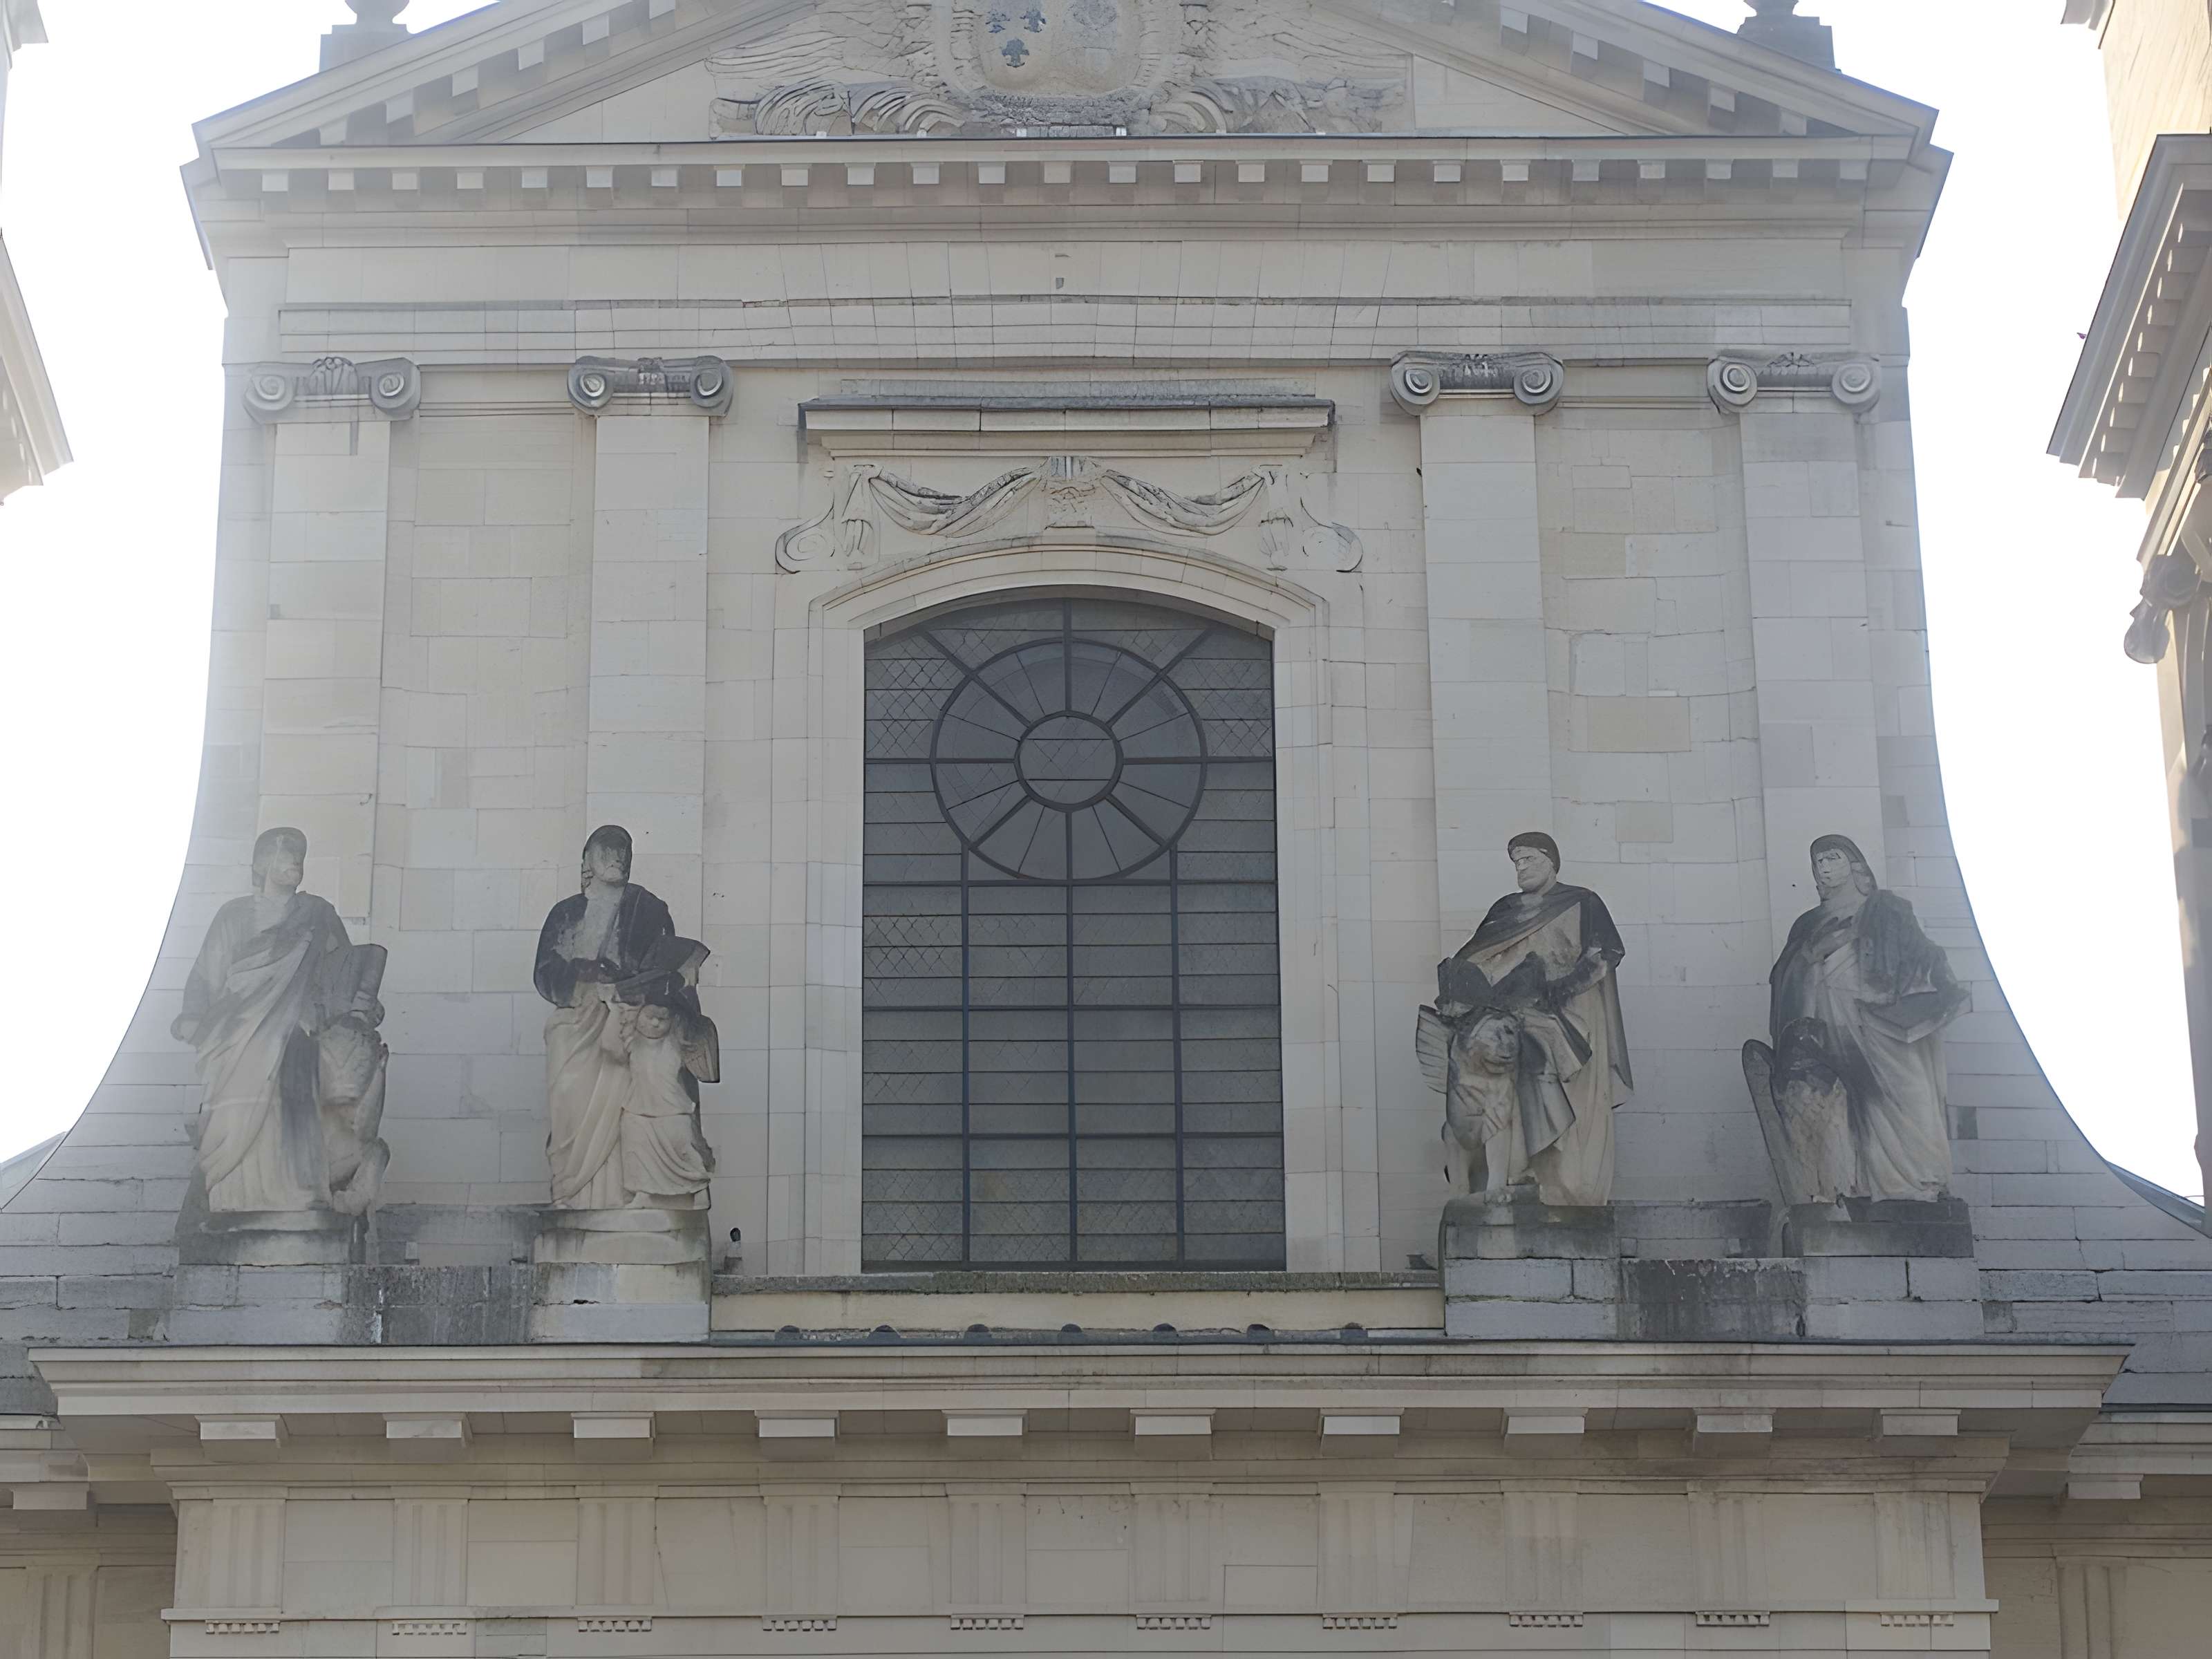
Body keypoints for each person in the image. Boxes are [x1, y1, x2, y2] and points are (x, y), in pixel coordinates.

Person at [1768, 834, 1965, 1200]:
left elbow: (1924, 958)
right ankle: (1865, 1186)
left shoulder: (1885, 909)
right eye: (1818, 862)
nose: (1824, 868)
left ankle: (1922, 1180)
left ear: (1855, 864)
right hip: (1835, 1023)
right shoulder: (1808, 923)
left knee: (1909, 1093)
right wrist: (1811, 954)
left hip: (1888, 1023)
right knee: (1855, 1101)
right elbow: (1784, 975)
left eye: (1832, 858)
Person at [174, 827, 358, 1212]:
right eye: (287, 854)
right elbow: (208, 972)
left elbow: (343, 968)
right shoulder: (235, 914)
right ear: (262, 864)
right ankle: (231, 1190)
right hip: (239, 1024)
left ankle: (299, 1189)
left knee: (294, 1084)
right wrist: (193, 1016)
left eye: (300, 855)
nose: (296, 862)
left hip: (297, 1023)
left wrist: (357, 1005)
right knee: (235, 1106)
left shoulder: (318, 913)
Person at [1445, 832, 1631, 1206]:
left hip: (1571, 1010)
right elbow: (1474, 959)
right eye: (1517, 862)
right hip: (1516, 1013)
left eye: (1529, 859)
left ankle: (1566, 1183)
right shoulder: (1506, 910)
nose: (1522, 867)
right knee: (1501, 1078)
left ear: (1551, 861)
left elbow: (1604, 954)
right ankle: (1510, 1174)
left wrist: (1562, 988)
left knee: (1567, 1091)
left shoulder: (1582, 901)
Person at [534, 825, 711, 1209]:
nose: (617, 857)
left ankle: (629, 1194)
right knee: (566, 1090)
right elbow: (545, 973)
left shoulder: (650, 909)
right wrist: (587, 979)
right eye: (607, 850)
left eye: (624, 850)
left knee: (641, 1087)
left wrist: (650, 985)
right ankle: (572, 1191)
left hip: (630, 1017)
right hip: (578, 1021)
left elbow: (665, 968)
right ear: (588, 860)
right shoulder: (565, 913)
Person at [610, 1000, 718, 1210]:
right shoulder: (633, 1041)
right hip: (638, 1107)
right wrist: (615, 1008)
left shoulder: (675, 1042)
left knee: (684, 1149)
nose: (655, 1023)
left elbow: (692, 1026)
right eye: (649, 1016)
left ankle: (698, 1189)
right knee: (635, 1148)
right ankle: (642, 1192)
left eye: (662, 1018)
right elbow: (611, 1050)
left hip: (673, 1108)